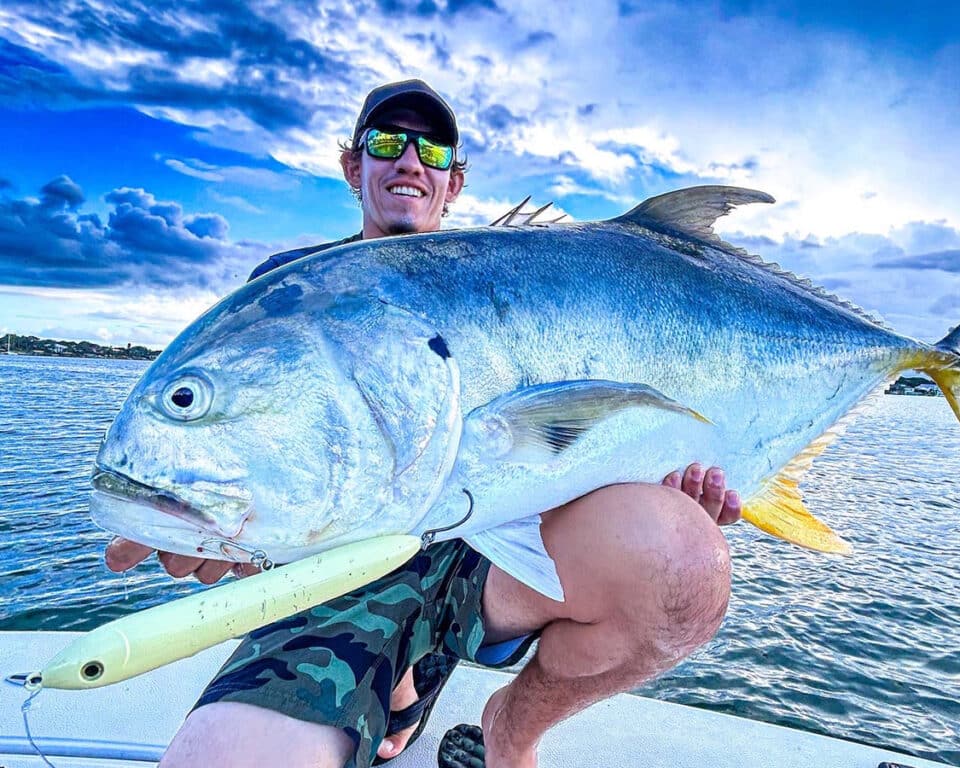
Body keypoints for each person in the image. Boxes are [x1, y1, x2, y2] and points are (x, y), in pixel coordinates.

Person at [106, 79, 743, 768]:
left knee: (686, 560)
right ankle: (397, 678)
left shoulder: (518, 278)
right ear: (355, 167)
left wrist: (661, 475)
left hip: (487, 546)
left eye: (432, 148)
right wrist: (232, 530)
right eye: (386, 141)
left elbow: (567, 443)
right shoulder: (291, 291)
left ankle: (511, 732)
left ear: (453, 180)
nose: (409, 159)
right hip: (338, 579)